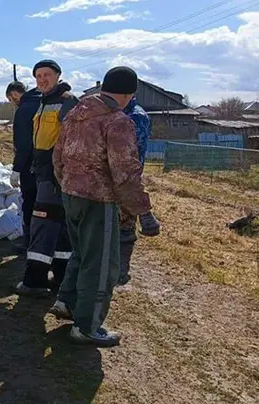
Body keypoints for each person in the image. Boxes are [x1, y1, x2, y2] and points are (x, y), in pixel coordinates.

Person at [50, 66, 161, 347]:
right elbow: (126, 173)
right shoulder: (117, 121)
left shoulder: (76, 114)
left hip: (70, 195)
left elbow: (58, 155)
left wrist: (68, 184)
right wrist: (144, 213)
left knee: (81, 253)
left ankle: (68, 302)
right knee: (102, 265)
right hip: (99, 201)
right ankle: (87, 327)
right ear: (128, 94)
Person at [14, 59, 78, 298]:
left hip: (55, 174)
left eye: (46, 75)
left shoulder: (67, 102)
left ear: (58, 75)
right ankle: (62, 278)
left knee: (42, 224)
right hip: (44, 172)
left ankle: (35, 280)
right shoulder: (44, 102)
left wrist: (59, 171)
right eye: (38, 76)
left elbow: (73, 141)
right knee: (60, 227)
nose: (41, 79)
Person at [118, 96, 151, 285]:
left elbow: (130, 154)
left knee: (125, 225)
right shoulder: (115, 111)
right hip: (108, 180)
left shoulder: (136, 117)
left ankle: (121, 270)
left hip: (127, 181)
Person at [6, 80, 42, 249]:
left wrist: (17, 169)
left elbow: (23, 145)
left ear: (14, 94)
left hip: (31, 166)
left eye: (10, 100)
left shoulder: (24, 109)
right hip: (49, 164)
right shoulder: (44, 101)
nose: (12, 104)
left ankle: (30, 242)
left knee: (29, 202)